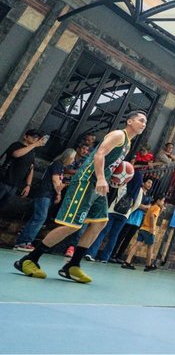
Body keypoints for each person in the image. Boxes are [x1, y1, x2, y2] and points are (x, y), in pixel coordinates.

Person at [14, 110, 147, 283]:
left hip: (99, 185)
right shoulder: (118, 135)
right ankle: (30, 259)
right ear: (129, 121)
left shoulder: (127, 143)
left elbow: (110, 164)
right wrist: (100, 177)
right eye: (140, 120)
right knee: (72, 225)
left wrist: (112, 179)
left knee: (100, 223)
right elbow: (99, 154)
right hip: (86, 181)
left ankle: (73, 265)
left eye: (145, 122)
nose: (143, 124)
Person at [14, 149, 76, 251]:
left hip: (48, 194)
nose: (73, 161)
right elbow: (56, 181)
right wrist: (59, 193)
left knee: (37, 217)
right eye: (72, 158)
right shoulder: (57, 164)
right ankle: (24, 241)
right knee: (40, 217)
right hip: (45, 193)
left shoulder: (60, 166)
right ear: (68, 157)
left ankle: (23, 239)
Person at [84, 172, 149, 262]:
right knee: (114, 235)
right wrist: (129, 211)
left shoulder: (123, 184)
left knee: (103, 232)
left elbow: (115, 195)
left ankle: (91, 253)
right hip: (124, 215)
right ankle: (105, 257)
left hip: (112, 211)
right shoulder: (139, 190)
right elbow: (137, 204)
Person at [0, 129, 47, 209]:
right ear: (25, 136)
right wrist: (34, 145)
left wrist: (28, 185)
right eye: (34, 136)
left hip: (15, 185)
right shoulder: (16, 145)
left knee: (2, 205)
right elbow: (16, 154)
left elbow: (31, 168)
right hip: (4, 180)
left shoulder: (32, 152)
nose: (36, 139)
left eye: (38, 138)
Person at [121, 195, 165, 271]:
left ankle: (127, 261)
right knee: (150, 247)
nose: (163, 203)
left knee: (136, 244)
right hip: (149, 230)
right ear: (158, 200)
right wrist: (152, 228)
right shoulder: (157, 208)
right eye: (162, 201)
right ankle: (148, 264)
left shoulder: (151, 207)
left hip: (143, 228)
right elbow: (152, 217)